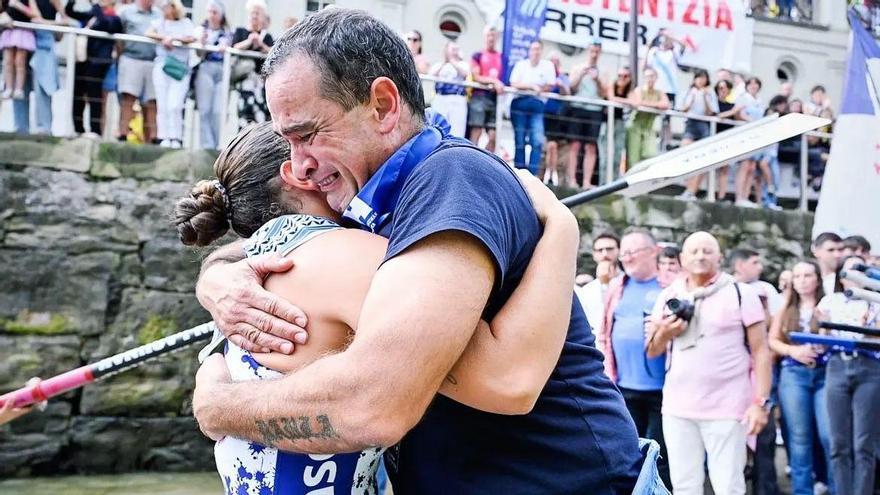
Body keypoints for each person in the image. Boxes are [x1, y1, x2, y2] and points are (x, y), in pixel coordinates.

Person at [191, 9, 649, 494]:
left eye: (307, 135)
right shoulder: (365, 206)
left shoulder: (449, 180)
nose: (300, 167)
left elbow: (374, 404)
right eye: (287, 145)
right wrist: (218, 279)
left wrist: (219, 405)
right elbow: (259, 250)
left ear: (384, 106)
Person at [174, 121, 583, 493]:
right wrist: (561, 229)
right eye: (309, 146)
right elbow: (509, 381)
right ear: (299, 174)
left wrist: (211, 277)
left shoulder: (253, 270)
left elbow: (229, 258)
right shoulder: (353, 258)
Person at [647, 231, 772, 495]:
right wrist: (666, 332)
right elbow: (652, 350)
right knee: (684, 485)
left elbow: (761, 351)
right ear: (682, 258)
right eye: (694, 251)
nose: (700, 256)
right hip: (678, 406)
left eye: (707, 250)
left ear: (720, 257)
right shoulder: (670, 295)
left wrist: (760, 403)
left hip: (728, 406)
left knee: (728, 485)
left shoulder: (741, 293)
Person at [601, 228, 670, 487]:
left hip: (663, 389)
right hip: (623, 386)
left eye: (633, 252)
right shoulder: (617, 286)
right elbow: (605, 332)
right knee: (632, 455)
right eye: (624, 252)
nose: (626, 257)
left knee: (661, 457)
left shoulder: (672, 287)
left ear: (654, 252)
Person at [768, 260, 834, 495]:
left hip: (825, 373)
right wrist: (793, 350)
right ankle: (802, 490)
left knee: (829, 436)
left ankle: (834, 487)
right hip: (794, 374)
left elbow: (836, 340)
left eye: (808, 275)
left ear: (818, 279)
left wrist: (825, 328)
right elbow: (773, 341)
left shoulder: (828, 304)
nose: (803, 280)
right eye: (798, 276)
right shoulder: (786, 307)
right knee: (799, 439)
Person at [817, 255, 880, 495]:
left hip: (870, 367)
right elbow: (822, 336)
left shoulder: (876, 301)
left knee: (864, 443)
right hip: (837, 366)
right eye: (849, 270)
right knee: (837, 442)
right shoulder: (829, 301)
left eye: (859, 270)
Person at [728, 247, 782, 495]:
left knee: (764, 438)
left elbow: (771, 332)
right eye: (755, 261)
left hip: (759, 371)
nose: (760, 267)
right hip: (730, 377)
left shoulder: (766, 290)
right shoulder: (725, 290)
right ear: (739, 265)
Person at [66, 0, 123, 137]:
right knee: (78, 95)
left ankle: (95, 130)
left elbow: (105, 25)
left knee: (95, 97)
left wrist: (96, 6)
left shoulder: (114, 19)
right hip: (82, 60)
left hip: (98, 63)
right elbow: (71, 13)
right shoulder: (91, 15)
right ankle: (78, 128)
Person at [145, 0, 195, 148]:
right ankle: (164, 137)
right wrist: (163, 38)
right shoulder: (159, 23)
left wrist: (174, 39)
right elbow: (148, 33)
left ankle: (176, 137)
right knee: (163, 104)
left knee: (175, 104)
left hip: (179, 68)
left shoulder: (185, 23)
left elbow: (191, 37)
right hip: (162, 66)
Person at [508, 40, 554, 175]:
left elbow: (550, 85)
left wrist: (534, 88)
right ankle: (519, 173)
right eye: (533, 49)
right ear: (529, 51)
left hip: (537, 105)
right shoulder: (521, 65)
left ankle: (532, 174)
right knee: (519, 139)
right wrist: (532, 86)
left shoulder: (547, 66)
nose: (536, 52)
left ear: (541, 51)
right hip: (520, 103)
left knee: (537, 140)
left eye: (538, 49)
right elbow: (514, 83)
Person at [117, 0, 159, 143]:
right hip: (131, 58)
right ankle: (122, 134)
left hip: (152, 61)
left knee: (151, 102)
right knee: (128, 98)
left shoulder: (159, 14)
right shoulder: (126, 12)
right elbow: (118, 37)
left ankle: (152, 138)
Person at [566, 39, 604, 189]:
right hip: (577, 109)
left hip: (594, 110)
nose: (594, 54)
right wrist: (581, 75)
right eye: (592, 50)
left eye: (597, 51)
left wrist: (598, 80)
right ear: (588, 50)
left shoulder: (603, 70)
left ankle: (587, 181)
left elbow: (605, 93)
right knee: (574, 145)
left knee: (591, 146)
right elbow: (571, 88)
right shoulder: (577, 67)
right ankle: (572, 180)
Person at [25, 0, 67, 135]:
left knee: (43, 89)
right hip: (23, 44)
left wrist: (45, 23)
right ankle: (21, 127)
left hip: (44, 47)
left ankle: (44, 128)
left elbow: (64, 26)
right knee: (21, 88)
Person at [575, 231, 620, 355]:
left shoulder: (629, 285)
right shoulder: (586, 291)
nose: (605, 254)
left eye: (609, 249)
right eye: (600, 250)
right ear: (594, 254)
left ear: (619, 251)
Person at [194, 0, 232, 150]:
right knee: (204, 108)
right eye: (209, 12)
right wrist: (201, 42)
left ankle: (216, 144)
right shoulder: (201, 30)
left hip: (222, 69)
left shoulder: (228, 32)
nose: (211, 15)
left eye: (214, 12)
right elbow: (199, 54)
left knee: (218, 110)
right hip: (206, 67)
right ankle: (206, 145)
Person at [678, 69, 719, 200]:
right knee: (686, 153)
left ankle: (692, 191)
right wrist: (692, 98)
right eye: (699, 78)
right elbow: (682, 108)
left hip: (704, 124)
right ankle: (688, 187)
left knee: (701, 158)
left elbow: (712, 112)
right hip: (691, 123)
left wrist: (706, 98)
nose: (701, 80)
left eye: (703, 78)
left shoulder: (710, 93)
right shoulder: (689, 91)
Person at [232, 0, 273, 128]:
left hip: (260, 83)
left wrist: (261, 45)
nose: (255, 16)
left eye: (258, 13)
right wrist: (249, 42)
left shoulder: (266, 36)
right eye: (252, 13)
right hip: (244, 80)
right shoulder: (240, 32)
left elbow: (273, 52)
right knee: (244, 110)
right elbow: (234, 47)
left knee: (261, 113)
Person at [467, 26, 503, 153]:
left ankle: (484, 161)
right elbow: (476, 76)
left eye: (493, 35)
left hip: (495, 98)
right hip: (479, 96)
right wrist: (494, 81)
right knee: (476, 130)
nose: (491, 38)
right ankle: (470, 160)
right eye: (489, 35)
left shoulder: (502, 57)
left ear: (497, 37)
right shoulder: (478, 55)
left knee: (493, 136)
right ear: (484, 37)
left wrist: (498, 83)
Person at [626, 67, 670, 168]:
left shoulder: (659, 92)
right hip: (635, 127)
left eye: (652, 76)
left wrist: (648, 104)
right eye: (647, 76)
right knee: (633, 158)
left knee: (650, 155)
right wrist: (656, 105)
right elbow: (638, 102)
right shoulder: (639, 90)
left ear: (656, 77)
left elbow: (666, 104)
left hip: (649, 128)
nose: (649, 79)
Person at [539, 51, 569, 186]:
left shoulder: (562, 78)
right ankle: (546, 174)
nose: (554, 64)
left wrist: (560, 85)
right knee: (547, 147)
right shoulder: (543, 75)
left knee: (553, 146)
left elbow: (567, 93)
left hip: (557, 117)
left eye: (556, 62)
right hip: (543, 115)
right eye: (552, 61)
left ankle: (552, 174)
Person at [428, 41, 469, 138]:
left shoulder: (462, 64)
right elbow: (431, 74)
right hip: (441, 98)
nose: (455, 52)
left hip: (457, 98)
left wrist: (452, 61)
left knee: (457, 130)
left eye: (457, 49)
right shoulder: (439, 65)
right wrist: (445, 62)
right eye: (452, 49)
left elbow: (465, 73)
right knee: (436, 127)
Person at [734, 76, 764, 207]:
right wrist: (752, 122)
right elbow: (739, 114)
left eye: (756, 84)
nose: (753, 86)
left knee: (752, 167)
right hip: (745, 135)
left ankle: (745, 197)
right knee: (745, 166)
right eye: (751, 84)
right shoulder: (743, 97)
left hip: (756, 136)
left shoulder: (760, 101)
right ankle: (739, 197)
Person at [0, 0, 35, 100]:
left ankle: (19, 89)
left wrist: (18, 5)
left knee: (19, 62)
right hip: (8, 30)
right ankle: (9, 88)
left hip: (22, 31)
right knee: (8, 62)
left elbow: (34, 13)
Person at [601, 65, 632, 177]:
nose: (622, 78)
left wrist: (624, 100)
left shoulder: (629, 90)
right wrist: (626, 101)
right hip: (607, 123)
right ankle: (603, 184)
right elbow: (612, 98)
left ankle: (613, 183)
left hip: (620, 123)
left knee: (617, 156)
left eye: (625, 76)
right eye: (620, 75)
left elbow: (636, 102)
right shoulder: (612, 86)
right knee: (605, 156)